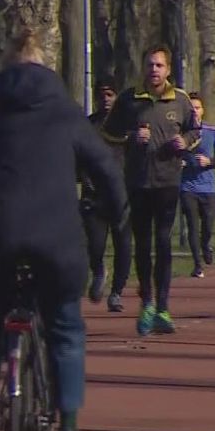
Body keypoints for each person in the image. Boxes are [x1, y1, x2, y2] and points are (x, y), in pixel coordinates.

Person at [0, 29, 127, 431]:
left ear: (7, 66)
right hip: (58, 236)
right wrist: (117, 210)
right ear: (45, 64)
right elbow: (105, 167)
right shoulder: (66, 112)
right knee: (65, 326)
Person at [101, 45, 199, 336]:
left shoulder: (179, 100)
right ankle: (146, 303)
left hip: (168, 181)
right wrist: (132, 137)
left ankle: (164, 308)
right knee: (142, 245)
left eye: (159, 65)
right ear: (143, 69)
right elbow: (108, 132)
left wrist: (184, 141)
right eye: (149, 65)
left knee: (164, 243)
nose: (154, 70)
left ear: (168, 70)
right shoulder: (130, 100)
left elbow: (196, 131)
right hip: (139, 182)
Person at [80, 78, 131, 312]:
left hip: (121, 195)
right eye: (103, 94)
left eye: (111, 94)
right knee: (95, 244)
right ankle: (99, 269)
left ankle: (117, 292)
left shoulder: (127, 125)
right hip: (94, 194)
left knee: (123, 245)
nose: (106, 98)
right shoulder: (88, 125)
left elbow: (138, 157)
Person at [180, 93, 215, 278]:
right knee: (192, 225)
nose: (194, 111)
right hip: (188, 187)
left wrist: (210, 161)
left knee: (207, 226)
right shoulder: (181, 133)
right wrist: (183, 161)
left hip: (209, 189)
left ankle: (206, 245)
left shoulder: (212, 131)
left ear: (203, 110)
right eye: (191, 108)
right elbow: (174, 151)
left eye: (197, 108)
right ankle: (197, 264)